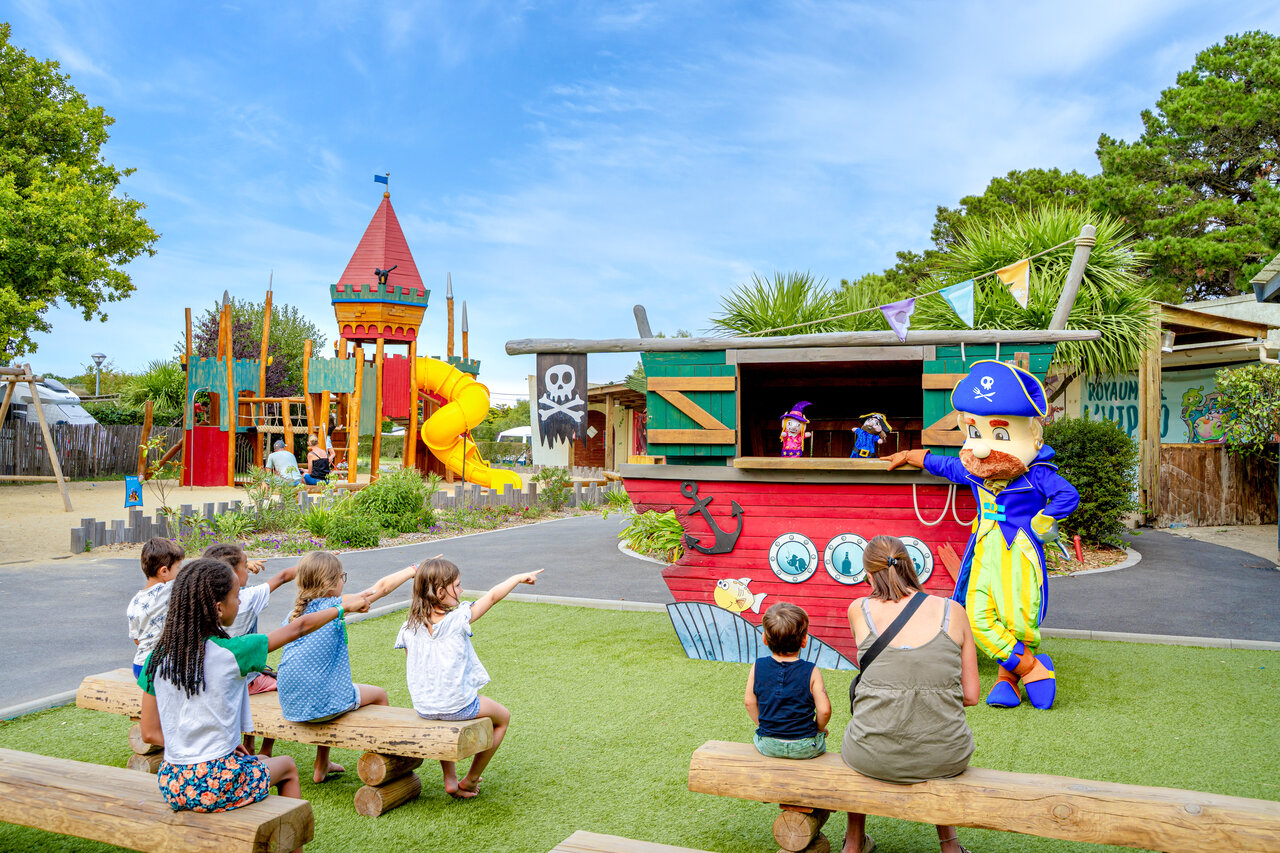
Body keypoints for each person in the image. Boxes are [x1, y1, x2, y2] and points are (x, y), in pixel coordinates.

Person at [884, 360, 1080, 709]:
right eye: (975, 433)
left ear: (1033, 435)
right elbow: (945, 465)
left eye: (1000, 435)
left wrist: (1044, 519)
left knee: (1018, 617)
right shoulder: (977, 472)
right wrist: (910, 455)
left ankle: (1007, 679)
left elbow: (1067, 495)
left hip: (1019, 553)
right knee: (977, 617)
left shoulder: (1037, 475)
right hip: (985, 550)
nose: (982, 448)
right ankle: (1031, 668)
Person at [137, 558, 369, 825]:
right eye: (237, 596)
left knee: (256, 760)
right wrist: (341, 608)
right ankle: (292, 839)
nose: (240, 602)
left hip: (173, 783)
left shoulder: (157, 658)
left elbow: (149, 733)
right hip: (216, 783)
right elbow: (299, 627)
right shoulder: (235, 651)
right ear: (219, 607)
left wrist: (208, 749)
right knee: (287, 767)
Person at [840, 535, 979, 853]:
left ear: (868, 574)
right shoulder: (953, 611)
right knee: (932, 727)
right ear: (910, 566)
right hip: (944, 756)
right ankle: (950, 845)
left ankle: (853, 842)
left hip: (871, 754)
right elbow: (971, 695)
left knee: (861, 735)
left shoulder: (858, 610)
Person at [395, 558, 542, 798]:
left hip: (425, 707)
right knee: (503, 717)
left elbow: (416, 667)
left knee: (442, 714)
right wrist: (517, 578)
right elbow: (492, 597)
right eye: (457, 586)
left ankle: (450, 779)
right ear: (441, 592)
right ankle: (471, 779)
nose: (461, 590)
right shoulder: (458, 619)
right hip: (459, 706)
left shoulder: (408, 627)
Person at [275, 552, 418, 783]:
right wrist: (414, 569)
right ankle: (380, 760)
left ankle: (322, 764)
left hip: (291, 704)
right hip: (320, 704)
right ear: (329, 583)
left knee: (326, 685)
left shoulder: (293, 615)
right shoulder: (336, 606)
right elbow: (381, 588)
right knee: (379, 695)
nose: (344, 581)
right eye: (342, 577)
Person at [204, 542, 298, 755]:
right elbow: (283, 576)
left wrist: (243, 564)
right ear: (233, 574)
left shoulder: (200, 602)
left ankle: (249, 742)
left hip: (214, 679)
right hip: (246, 680)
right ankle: (266, 748)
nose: (248, 569)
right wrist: (315, 563)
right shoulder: (247, 599)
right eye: (245, 566)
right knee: (281, 684)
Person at [744, 602, 831, 760]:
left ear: (764, 639)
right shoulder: (811, 670)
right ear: (804, 641)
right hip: (805, 747)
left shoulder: (758, 666)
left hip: (768, 745)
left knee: (759, 737)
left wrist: (761, 726)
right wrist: (819, 729)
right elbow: (824, 711)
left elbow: (749, 703)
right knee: (820, 738)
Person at [128, 538, 185, 679]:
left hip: (139, 665)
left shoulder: (135, 601)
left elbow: (136, 639)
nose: (181, 571)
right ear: (164, 571)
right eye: (178, 567)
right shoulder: (168, 590)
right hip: (160, 667)